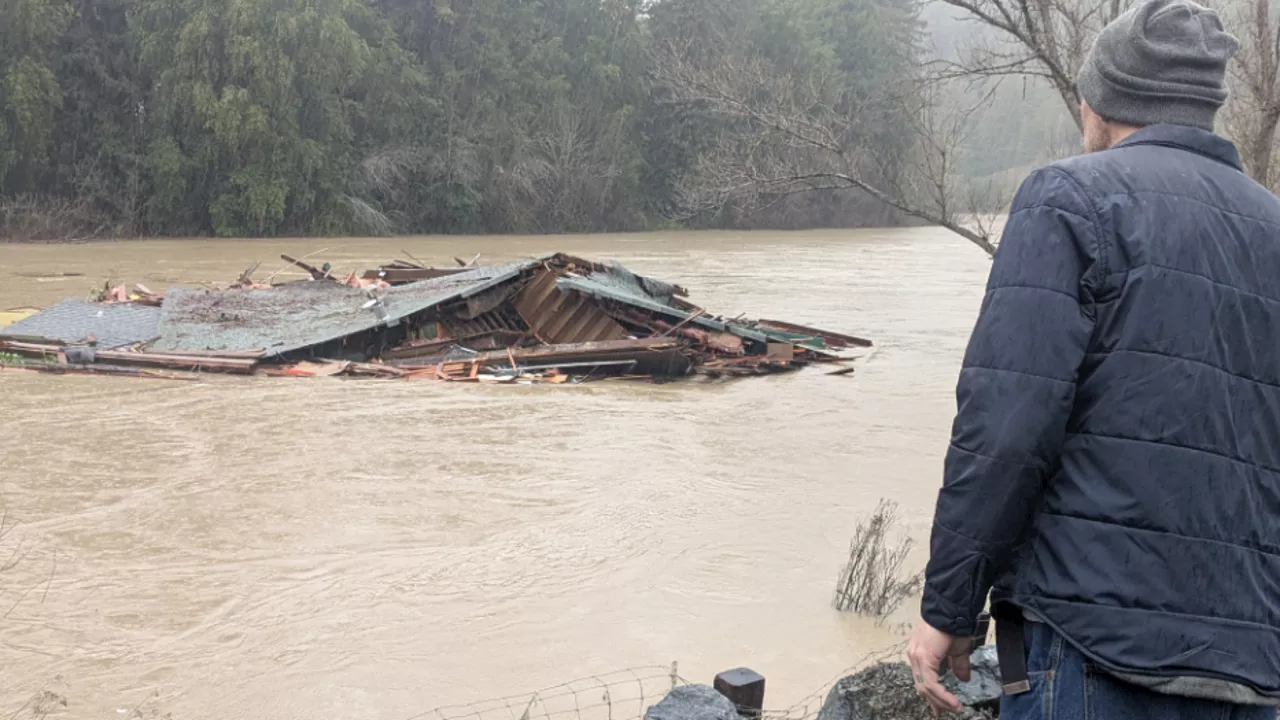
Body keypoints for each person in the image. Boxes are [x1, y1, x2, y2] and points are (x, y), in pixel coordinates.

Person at [905, 0, 1280, 717]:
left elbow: (1008, 422)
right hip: (1252, 667)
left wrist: (948, 606)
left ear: (1099, 102)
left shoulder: (1070, 199)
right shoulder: (1272, 227)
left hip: (1094, 652)